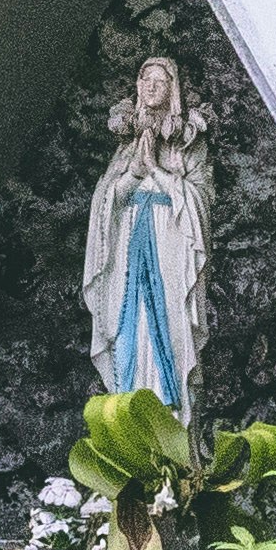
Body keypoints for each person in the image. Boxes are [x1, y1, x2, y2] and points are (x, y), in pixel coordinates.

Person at [83, 53, 210, 414]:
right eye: (145, 80)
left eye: (160, 81)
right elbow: (106, 202)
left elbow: (201, 205)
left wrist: (160, 172)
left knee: (170, 329)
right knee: (127, 328)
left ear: (173, 89)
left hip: (170, 251)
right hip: (127, 251)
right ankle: (127, 408)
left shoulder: (189, 147)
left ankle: (172, 418)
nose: (151, 86)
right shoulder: (126, 146)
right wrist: (135, 173)